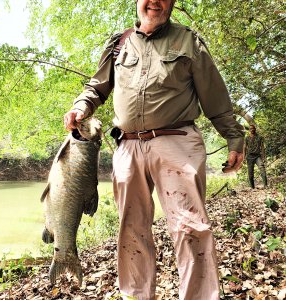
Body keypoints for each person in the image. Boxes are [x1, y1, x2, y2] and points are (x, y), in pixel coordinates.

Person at [64, 0, 244, 299]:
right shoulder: (119, 43)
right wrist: (81, 107)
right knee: (131, 230)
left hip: (177, 142)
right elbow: (96, 88)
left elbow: (215, 97)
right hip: (127, 147)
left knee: (190, 227)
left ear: (172, 2)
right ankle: (136, 295)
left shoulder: (189, 42)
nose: (155, 2)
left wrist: (234, 138)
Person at [244, 124, 268, 189]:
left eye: (253, 128)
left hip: (257, 156)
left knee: (262, 168)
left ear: (255, 129)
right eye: (250, 129)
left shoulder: (259, 137)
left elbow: (262, 147)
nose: (252, 130)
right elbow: (245, 147)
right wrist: (244, 157)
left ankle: (265, 185)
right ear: (249, 130)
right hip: (249, 157)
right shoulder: (247, 138)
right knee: (250, 173)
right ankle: (252, 187)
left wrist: (264, 157)